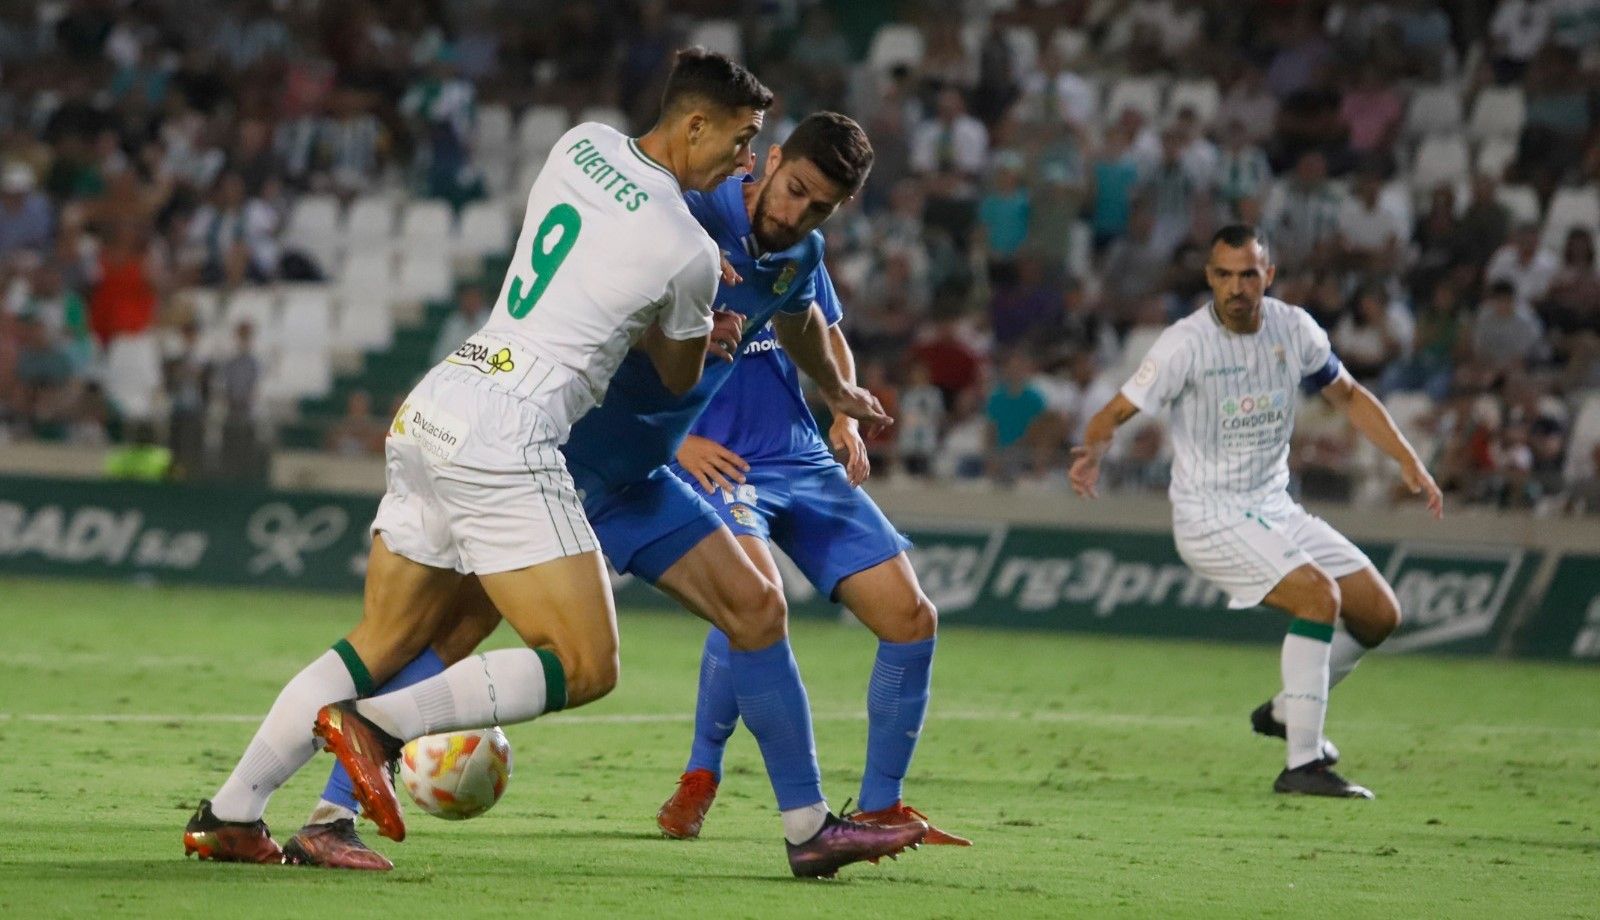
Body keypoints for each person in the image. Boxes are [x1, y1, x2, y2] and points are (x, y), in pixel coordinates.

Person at [275, 113, 922, 879]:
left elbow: (801, 309)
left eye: (819, 207)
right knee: (453, 635)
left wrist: (839, 386)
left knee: (758, 609)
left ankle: (810, 830)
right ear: (769, 161)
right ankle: (329, 815)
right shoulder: (689, 210)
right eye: (793, 191)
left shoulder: (796, 252)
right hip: (552, 467)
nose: (795, 215)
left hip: (637, 480)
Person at [184, 47, 773, 865]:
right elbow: (673, 376)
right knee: (585, 663)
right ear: (696, 123)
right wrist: (711, 334)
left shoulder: (581, 144)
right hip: (511, 429)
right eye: (742, 139)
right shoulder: (689, 250)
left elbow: (593, 262)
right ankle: (378, 726)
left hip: (444, 394)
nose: (747, 161)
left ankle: (234, 813)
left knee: (378, 644)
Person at [1069, 225, 1443, 799]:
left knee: (1379, 615)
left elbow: (1347, 395)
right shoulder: (1184, 344)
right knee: (1320, 597)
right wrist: (1092, 454)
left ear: (1268, 276)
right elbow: (1114, 412)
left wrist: (1406, 458)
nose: (1237, 287)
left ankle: (1286, 710)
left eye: (1249, 274)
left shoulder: (1294, 328)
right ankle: (1302, 765)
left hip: (1274, 507)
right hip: (1210, 516)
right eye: (1224, 275)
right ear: (1209, 278)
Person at [654, 265, 969, 846]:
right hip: (720, 462)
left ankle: (880, 806)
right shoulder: (676, 237)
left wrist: (843, 413)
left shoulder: (792, 247)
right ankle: (700, 773)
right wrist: (674, 442)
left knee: (912, 618)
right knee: (755, 601)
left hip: (801, 459)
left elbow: (830, 338)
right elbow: (616, 352)